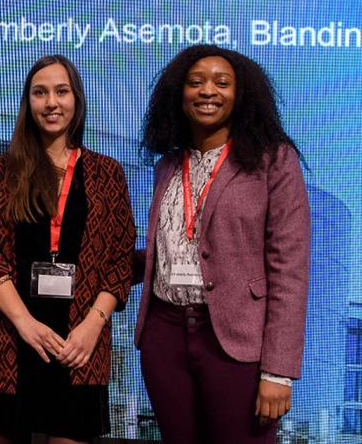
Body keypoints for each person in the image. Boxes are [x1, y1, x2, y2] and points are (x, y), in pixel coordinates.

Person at [134, 44, 311, 443]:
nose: (207, 91)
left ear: (241, 94)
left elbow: (290, 268)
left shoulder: (274, 160)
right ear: (179, 94)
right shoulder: (168, 164)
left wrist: (278, 371)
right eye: (195, 82)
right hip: (165, 335)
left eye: (222, 83)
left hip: (237, 342)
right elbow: (179, 248)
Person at [0, 55, 135, 443]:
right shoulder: (3, 169)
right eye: (40, 93)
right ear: (28, 103)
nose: (51, 102)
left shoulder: (108, 173)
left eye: (61, 91)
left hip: (79, 343)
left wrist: (93, 325)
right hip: (10, 335)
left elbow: (120, 260)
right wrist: (25, 324)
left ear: (77, 100)